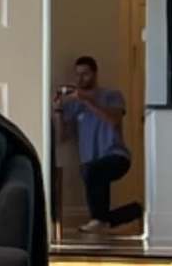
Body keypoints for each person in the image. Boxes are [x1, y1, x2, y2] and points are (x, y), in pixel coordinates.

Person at [55, 56, 139, 228]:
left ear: (94, 74)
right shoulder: (74, 105)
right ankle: (133, 211)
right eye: (77, 75)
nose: (80, 79)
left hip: (116, 155)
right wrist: (57, 109)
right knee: (93, 174)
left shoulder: (111, 96)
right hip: (91, 162)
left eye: (85, 74)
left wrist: (86, 100)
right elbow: (63, 136)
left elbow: (113, 119)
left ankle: (99, 220)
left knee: (93, 171)